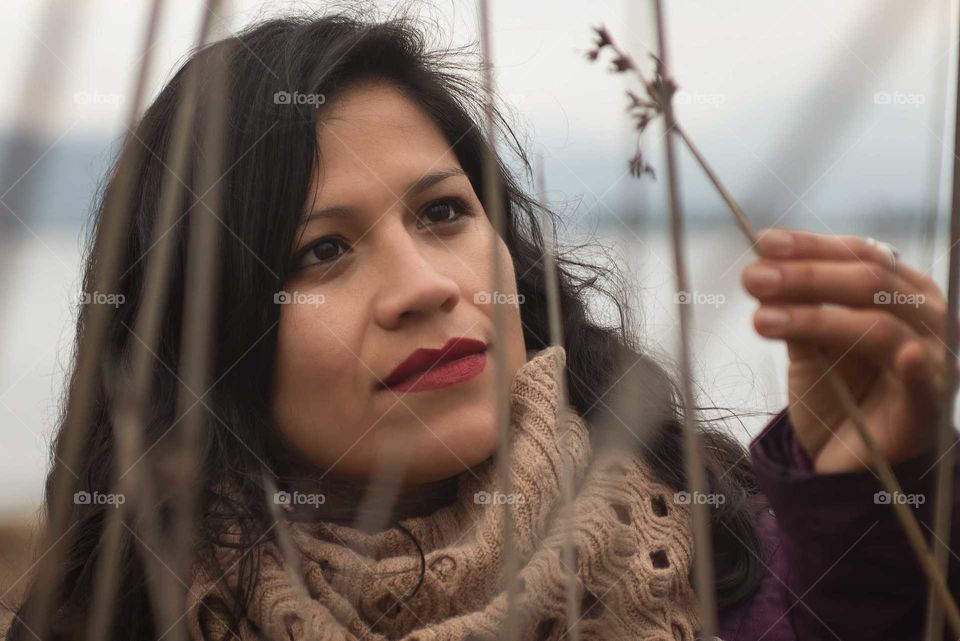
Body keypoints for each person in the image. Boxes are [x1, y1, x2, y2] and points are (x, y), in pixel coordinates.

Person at [4, 8, 958, 641]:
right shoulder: (115, 614)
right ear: (204, 346)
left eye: (443, 213)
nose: (423, 285)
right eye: (321, 252)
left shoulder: (736, 557)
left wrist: (873, 506)